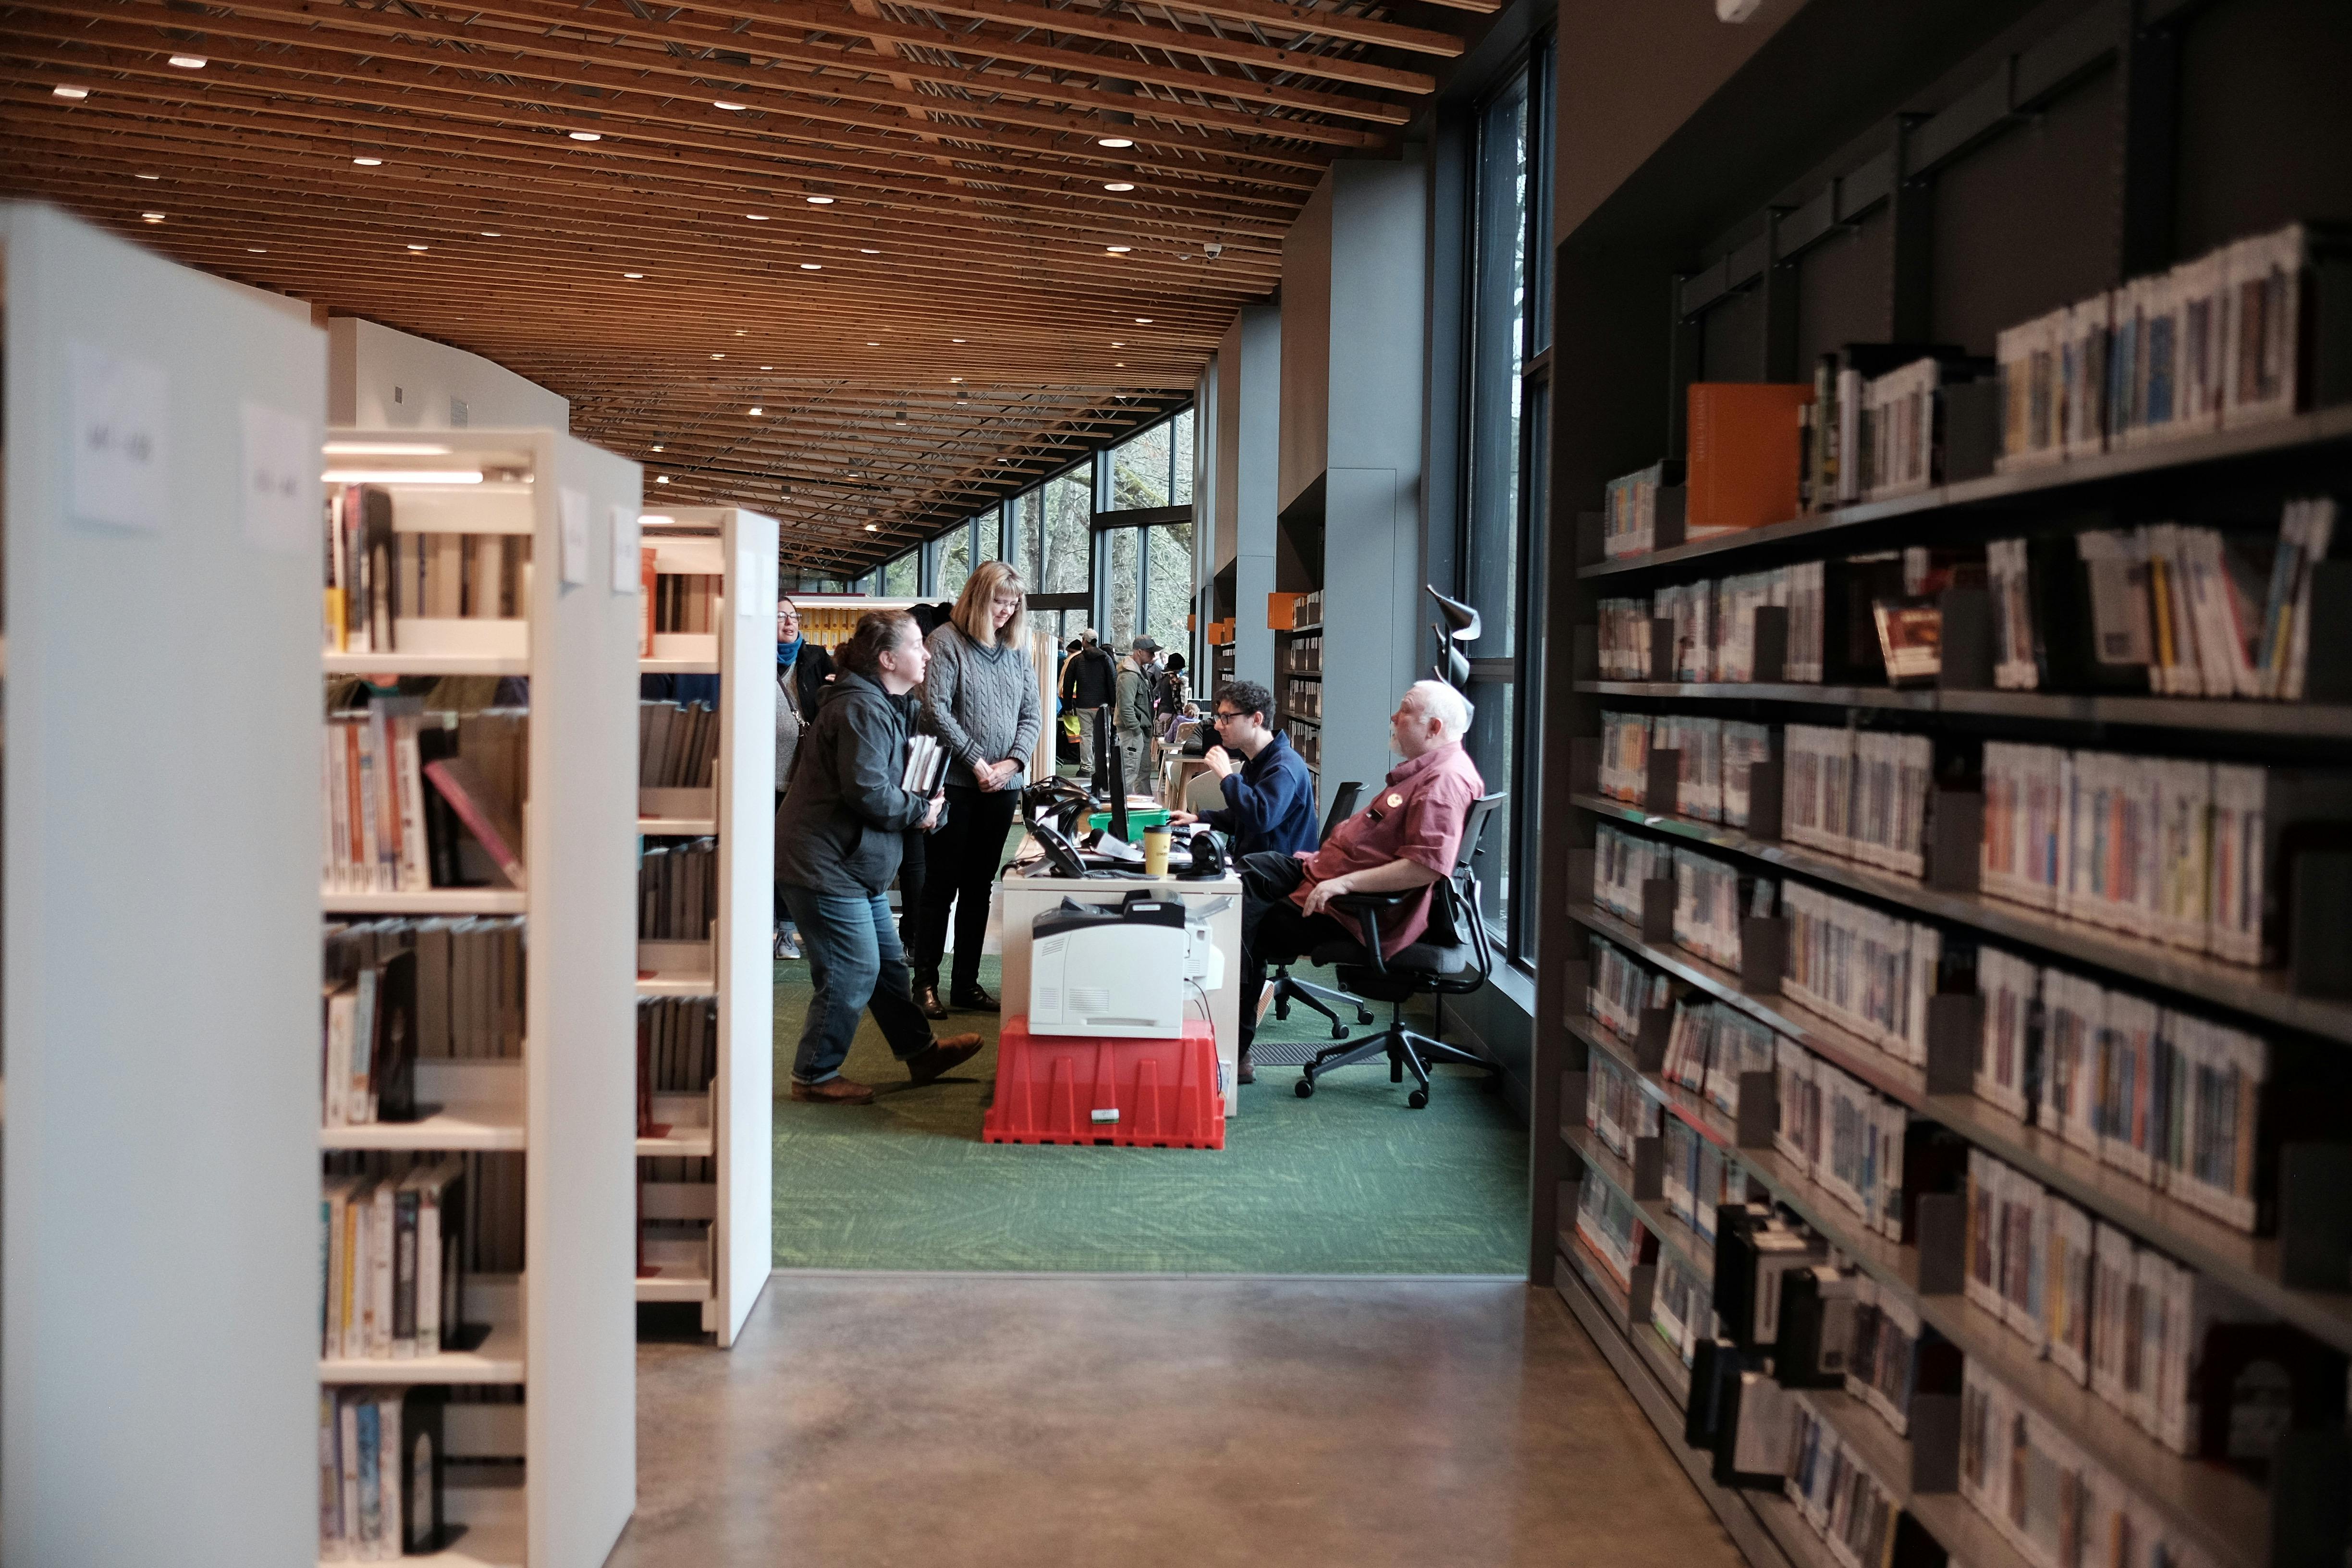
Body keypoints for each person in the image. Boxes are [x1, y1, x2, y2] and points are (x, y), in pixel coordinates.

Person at [773, 610, 983, 1105]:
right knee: (852, 971)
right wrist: (920, 813)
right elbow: (869, 792)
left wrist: (928, 809)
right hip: (824, 863)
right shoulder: (862, 711)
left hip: (852, 863)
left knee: (888, 967)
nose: (927, 653)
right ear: (888, 659)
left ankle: (921, 1053)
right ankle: (814, 1074)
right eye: (917, 645)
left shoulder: (886, 706)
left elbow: (899, 786)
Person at [1234, 680, 1484, 1085]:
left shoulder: (1443, 783)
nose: (1393, 717)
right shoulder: (1424, 772)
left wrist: (1345, 884)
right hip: (1321, 875)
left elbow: (1425, 868)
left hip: (1354, 909)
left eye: (1404, 711)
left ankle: (1232, 1049)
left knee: (1244, 926)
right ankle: (1223, 1032)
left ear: (1434, 727)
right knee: (1246, 875)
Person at [912, 562, 1042, 1017]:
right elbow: (933, 709)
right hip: (955, 785)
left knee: (980, 888)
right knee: (940, 886)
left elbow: (1034, 715)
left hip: (1002, 787)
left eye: (1013, 603)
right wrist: (977, 761)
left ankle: (965, 985)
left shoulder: (1016, 652)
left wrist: (1011, 763)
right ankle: (925, 982)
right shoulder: (945, 642)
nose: (1006, 611)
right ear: (977, 599)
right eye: (999, 601)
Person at [1169, 679, 1318, 858]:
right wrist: (1198, 819)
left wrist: (1227, 777)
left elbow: (1260, 818)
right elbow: (1242, 817)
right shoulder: (1256, 760)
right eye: (1219, 718)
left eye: (1227, 718)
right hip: (1257, 866)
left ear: (1256, 719)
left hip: (1276, 875)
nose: (1217, 726)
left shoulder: (1285, 767)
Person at [1058, 627, 1117, 778]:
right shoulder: (1106, 658)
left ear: (1085, 641)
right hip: (1102, 706)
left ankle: (1086, 768)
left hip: (1083, 705)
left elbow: (1069, 683)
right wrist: (1113, 703)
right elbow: (1112, 682)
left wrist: (1067, 706)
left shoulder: (1076, 660)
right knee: (1104, 736)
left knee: (1086, 736)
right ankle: (1103, 767)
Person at [1114, 635, 1161, 799]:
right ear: (1139, 652)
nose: (1153, 656)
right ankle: (1122, 810)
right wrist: (1136, 730)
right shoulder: (1129, 675)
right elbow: (1126, 708)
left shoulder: (1139, 672)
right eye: (1150, 652)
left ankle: (1145, 808)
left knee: (1142, 771)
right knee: (1130, 771)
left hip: (1140, 730)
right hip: (1133, 731)